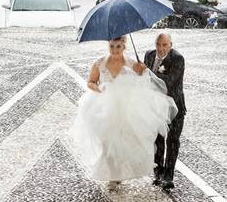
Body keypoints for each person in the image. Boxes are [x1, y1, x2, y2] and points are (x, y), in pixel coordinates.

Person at [70, 37, 177, 190]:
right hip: (103, 107)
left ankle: (119, 172)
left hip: (126, 108)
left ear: (124, 46)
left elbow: (143, 82)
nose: (114, 50)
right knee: (107, 143)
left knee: (123, 142)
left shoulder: (131, 63)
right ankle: (113, 176)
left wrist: (142, 72)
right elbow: (91, 82)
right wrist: (99, 89)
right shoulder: (99, 63)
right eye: (111, 46)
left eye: (118, 46)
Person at [143, 33, 186, 191]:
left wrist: (147, 72)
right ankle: (158, 171)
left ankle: (169, 176)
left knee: (173, 141)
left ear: (170, 45)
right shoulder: (148, 55)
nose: (161, 49)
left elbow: (168, 83)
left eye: (164, 45)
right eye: (158, 44)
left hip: (175, 106)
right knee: (157, 140)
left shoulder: (178, 59)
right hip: (155, 106)